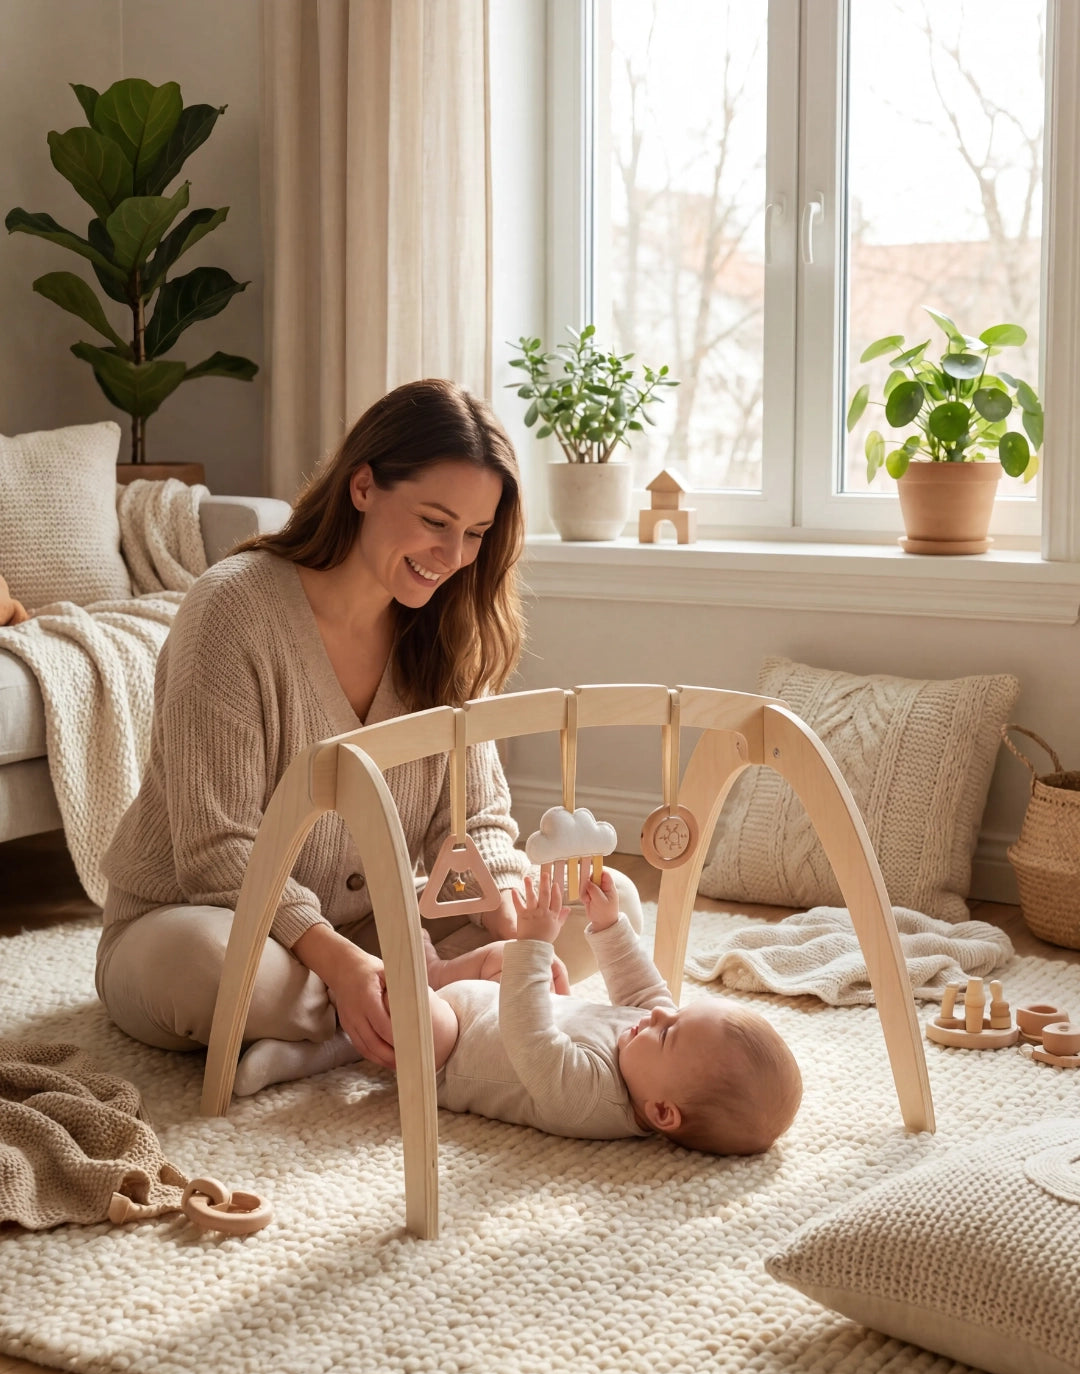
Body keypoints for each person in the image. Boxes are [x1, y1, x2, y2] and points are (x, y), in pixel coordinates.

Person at [95, 378, 641, 1094]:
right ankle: (428, 1003)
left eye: (475, 534)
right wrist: (341, 962)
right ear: (362, 487)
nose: (452, 555)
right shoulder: (231, 610)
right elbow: (217, 852)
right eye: (435, 521)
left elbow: (474, 819)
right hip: (202, 920)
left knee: (613, 901)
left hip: (379, 925)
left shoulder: (447, 628)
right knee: (212, 968)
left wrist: (505, 909)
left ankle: (356, 1027)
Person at [395, 866, 804, 1155]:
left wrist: (535, 942)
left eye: (667, 1033)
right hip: (489, 1001)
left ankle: (385, 989)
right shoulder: (651, 1047)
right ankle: (435, 972)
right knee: (519, 962)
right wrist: (609, 925)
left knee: (430, 1018)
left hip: (450, 1052)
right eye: (677, 1014)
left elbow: (528, 1035)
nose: (661, 1016)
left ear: (662, 1112)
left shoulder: (590, 1101)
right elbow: (642, 986)